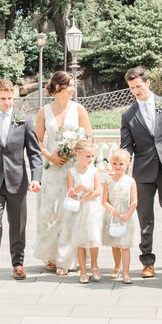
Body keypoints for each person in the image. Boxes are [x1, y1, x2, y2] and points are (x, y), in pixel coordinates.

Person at [0, 79, 43, 286]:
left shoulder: (24, 120)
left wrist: (36, 178)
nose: (7, 102)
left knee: (18, 225)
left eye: (10, 98)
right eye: (3, 99)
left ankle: (18, 264)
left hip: (17, 180)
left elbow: (35, 153)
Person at [120, 66, 162, 278]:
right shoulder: (128, 115)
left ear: (148, 83)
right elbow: (126, 146)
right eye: (132, 88)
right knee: (145, 218)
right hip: (143, 172)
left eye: (139, 86)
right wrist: (122, 166)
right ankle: (147, 261)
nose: (136, 91)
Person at [33, 70, 93, 274]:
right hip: (51, 170)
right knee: (50, 211)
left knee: (70, 210)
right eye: (70, 86)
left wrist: (76, 152)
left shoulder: (79, 110)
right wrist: (50, 156)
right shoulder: (44, 111)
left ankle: (66, 258)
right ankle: (51, 255)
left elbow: (88, 137)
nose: (73, 89)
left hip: (72, 167)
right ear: (58, 88)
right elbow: (36, 141)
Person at [59, 139, 103, 283]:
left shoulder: (94, 171)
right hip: (78, 211)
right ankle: (83, 271)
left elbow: (98, 191)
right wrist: (81, 187)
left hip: (91, 209)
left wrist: (85, 198)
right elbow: (70, 192)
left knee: (93, 239)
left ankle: (94, 266)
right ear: (78, 155)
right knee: (80, 240)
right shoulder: (72, 172)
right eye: (88, 156)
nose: (91, 159)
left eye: (92, 156)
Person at [101, 148, 138, 284]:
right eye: (115, 163)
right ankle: (117, 265)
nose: (118, 167)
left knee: (125, 245)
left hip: (126, 216)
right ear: (111, 163)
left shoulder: (130, 181)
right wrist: (111, 209)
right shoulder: (108, 181)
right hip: (113, 216)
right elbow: (104, 200)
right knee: (115, 245)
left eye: (121, 164)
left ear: (127, 165)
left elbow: (134, 200)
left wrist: (128, 213)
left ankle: (126, 273)